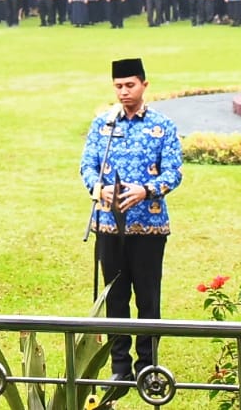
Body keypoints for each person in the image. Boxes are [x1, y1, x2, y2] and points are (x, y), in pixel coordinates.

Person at [79, 57, 182, 382]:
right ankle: (119, 368)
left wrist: (146, 190)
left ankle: (148, 367)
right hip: (109, 227)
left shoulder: (162, 126)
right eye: (118, 86)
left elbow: (174, 172)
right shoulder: (103, 125)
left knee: (148, 298)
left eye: (130, 85)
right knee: (115, 297)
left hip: (149, 227)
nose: (124, 92)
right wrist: (99, 189)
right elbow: (87, 166)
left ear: (144, 85)